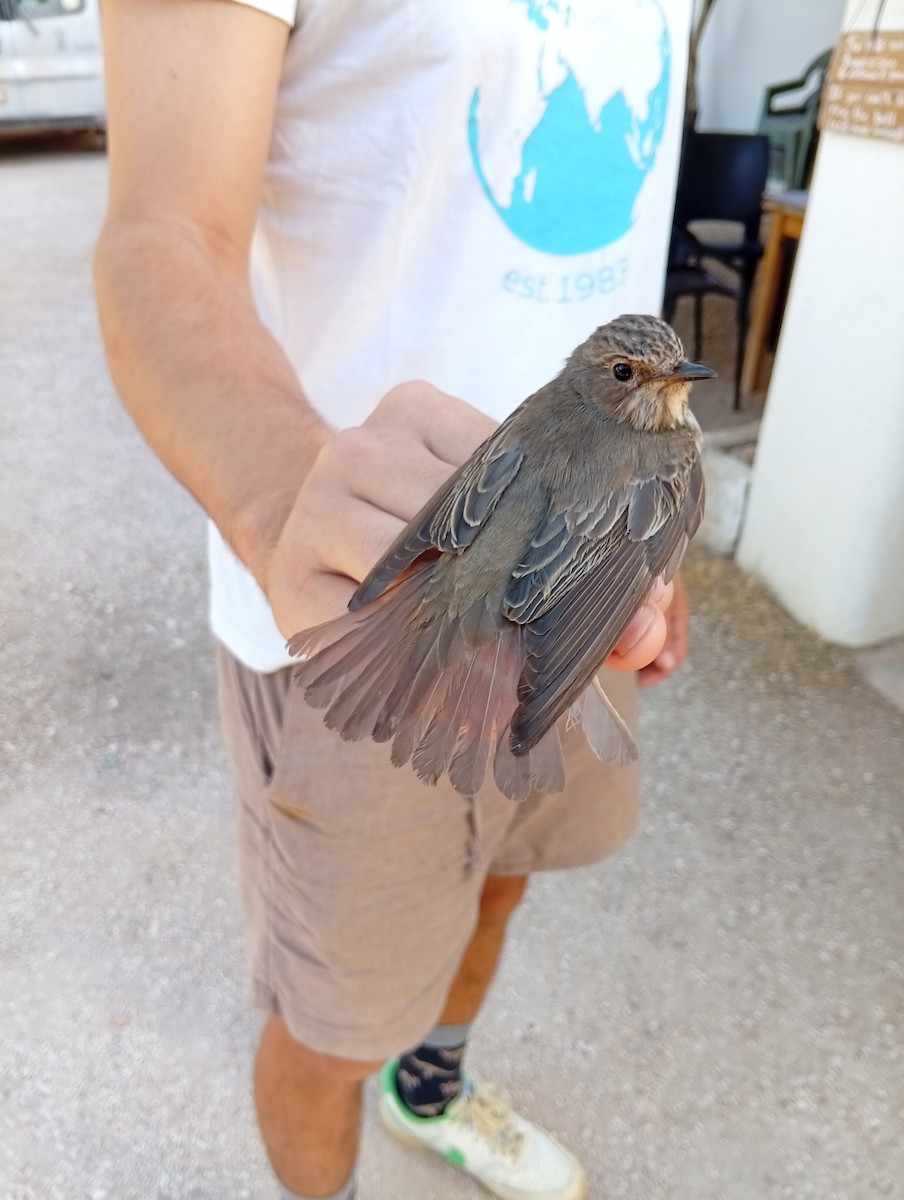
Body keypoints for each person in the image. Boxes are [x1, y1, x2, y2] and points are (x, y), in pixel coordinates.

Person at [94, 2, 694, 1197]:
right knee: (334, 1024)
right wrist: (278, 493)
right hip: (367, 601)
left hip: (587, 607)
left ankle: (433, 1091)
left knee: (506, 876)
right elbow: (159, 230)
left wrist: (637, 558)